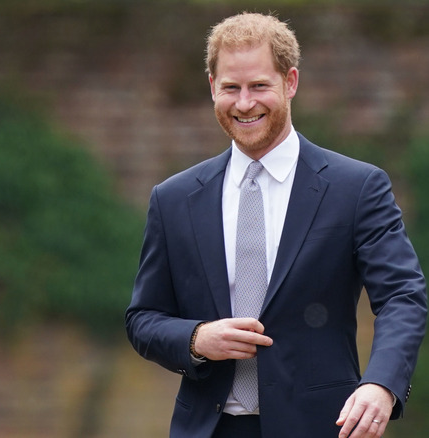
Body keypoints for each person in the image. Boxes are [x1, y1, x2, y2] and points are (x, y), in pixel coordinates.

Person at [125, 12, 427, 438]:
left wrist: (381, 385)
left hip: (322, 426)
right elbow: (143, 318)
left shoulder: (356, 188)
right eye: (231, 88)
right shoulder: (173, 199)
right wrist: (196, 338)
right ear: (213, 87)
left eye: (259, 86)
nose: (244, 103)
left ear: (291, 83)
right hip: (206, 429)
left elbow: (403, 295)